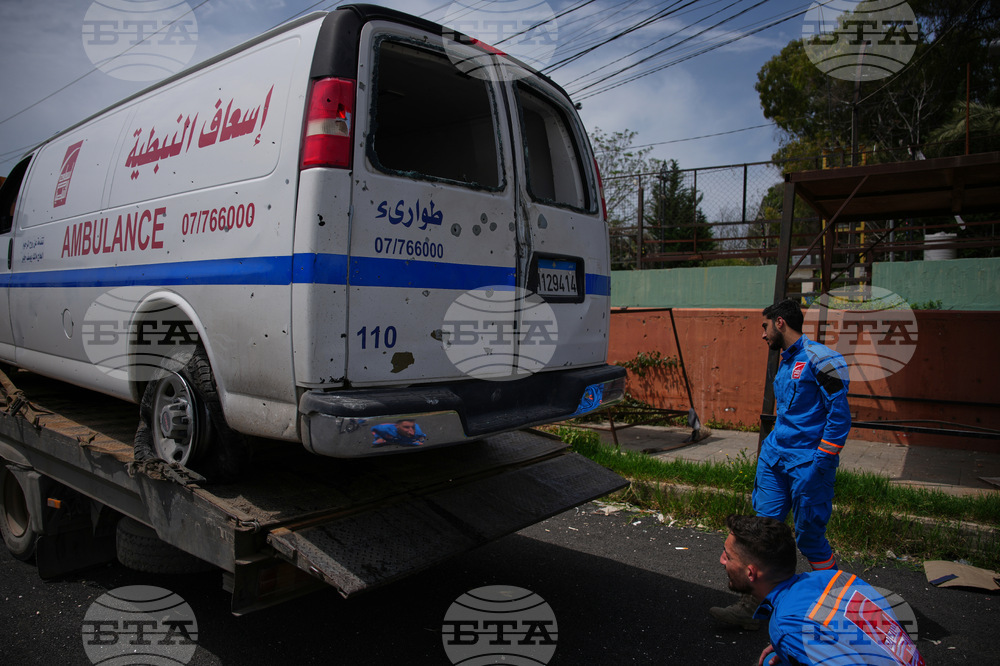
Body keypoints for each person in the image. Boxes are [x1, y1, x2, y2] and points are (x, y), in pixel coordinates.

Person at [711, 299, 851, 629]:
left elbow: (839, 416)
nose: (762, 335)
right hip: (775, 460)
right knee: (762, 534)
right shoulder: (785, 361)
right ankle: (756, 608)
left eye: (764, 326)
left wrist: (820, 464)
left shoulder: (824, 359)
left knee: (810, 538)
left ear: (780, 323)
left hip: (807, 465)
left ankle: (838, 607)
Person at [720, 514, 923, 666]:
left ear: (751, 573)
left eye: (728, 556)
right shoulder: (836, 577)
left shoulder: (786, 625)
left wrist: (792, 640)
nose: (722, 560)